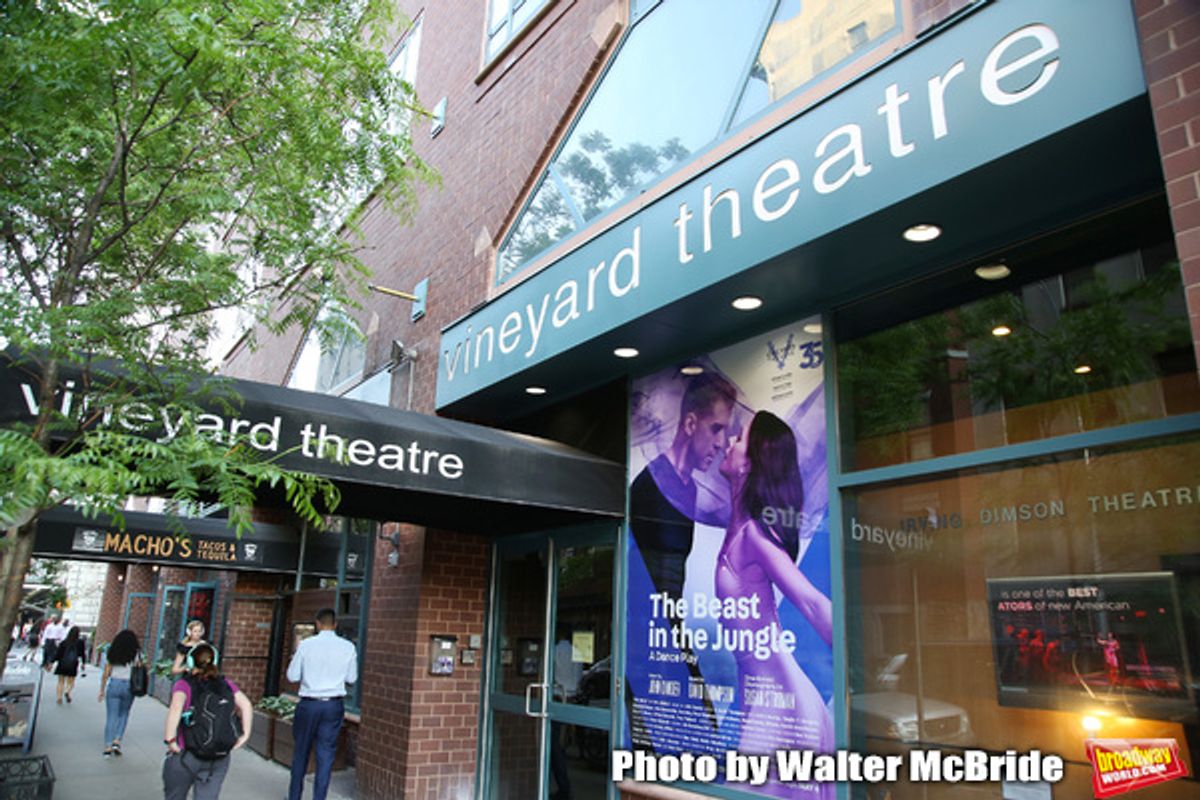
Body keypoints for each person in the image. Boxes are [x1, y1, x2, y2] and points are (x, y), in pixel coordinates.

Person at [716, 410, 833, 799]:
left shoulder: (753, 534)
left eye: (738, 439)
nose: (729, 444)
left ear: (752, 460)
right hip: (760, 693)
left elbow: (812, 602)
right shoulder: (738, 527)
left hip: (781, 701)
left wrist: (863, 658)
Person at [629, 373, 736, 604]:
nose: (721, 443)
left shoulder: (689, 488)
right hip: (646, 621)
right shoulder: (649, 485)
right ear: (690, 424)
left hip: (666, 622)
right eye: (716, 429)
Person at [163, 643, 252, 800]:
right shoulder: (226, 684)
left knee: (175, 795)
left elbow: (176, 709)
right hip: (218, 757)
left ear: (190, 662)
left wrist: (171, 740)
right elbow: (246, 705)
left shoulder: (184, 684)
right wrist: (244, 735)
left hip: (186, 753)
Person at [286, 608, 357, 800]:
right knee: (325, 755)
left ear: (317, 624)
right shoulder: (348, 647)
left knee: (301, 750)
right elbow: (352, 677)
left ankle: (294, 796)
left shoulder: (306, 645)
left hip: (309, 703)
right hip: (333, 705)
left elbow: (292, 676)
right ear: (335, 624)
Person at [98, 629, 140, 756]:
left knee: (112, 716)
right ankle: (117, 740)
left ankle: (108, 745)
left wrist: (101, 690)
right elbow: (138, 668)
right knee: (124, 714)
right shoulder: (135, 653)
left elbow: (106, 673)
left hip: (114, 683)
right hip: (128, 685)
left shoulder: (112, 652)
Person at [52, 625, 86, 703]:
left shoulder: (64, 642)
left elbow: (58, 654)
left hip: (62, 663)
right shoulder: (80, 642)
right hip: (73, 664)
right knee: (71, 681)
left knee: (60, 682)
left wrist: (51, 662)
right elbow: (83, 654)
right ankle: (67, 691)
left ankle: (59, 698)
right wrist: (83, 663)